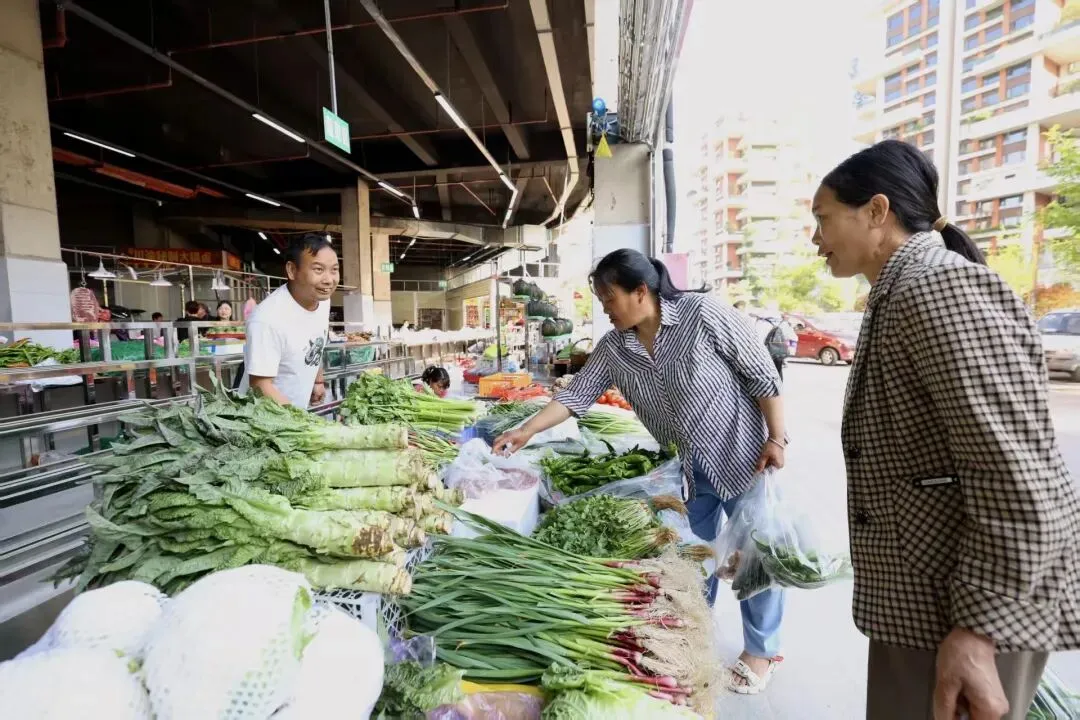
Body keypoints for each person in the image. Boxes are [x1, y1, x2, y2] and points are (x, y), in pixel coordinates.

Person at [812, 139, 1080, 720]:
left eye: (823, 219)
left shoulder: (937, 287)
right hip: (932, 603)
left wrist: (979, 627)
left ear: (876, 212)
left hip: (962, 613)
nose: (816, 239)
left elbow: (1016, 472)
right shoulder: (902, 290)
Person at [493, 248, 788, 694]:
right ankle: (694, 633)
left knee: (756, 556)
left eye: (608, 298)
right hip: (687, 467)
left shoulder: (701, 314)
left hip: (744, 454)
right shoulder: (616, 348)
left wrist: (777, 437)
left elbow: (762, 373)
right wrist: (526, 430)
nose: (605, 308)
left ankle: (761, 652)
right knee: (692, 555)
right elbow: (576, 396)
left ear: (640, 291)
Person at [239, 234, 338, 408]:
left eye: (334, 270)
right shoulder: (267, 319)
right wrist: (303, 423)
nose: (329, 280)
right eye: (318, 270)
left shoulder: (322, 301)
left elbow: (317, 343)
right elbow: (261, 386)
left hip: (295, 414)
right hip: (264, 421)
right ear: (292, 270)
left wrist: (318, 380)